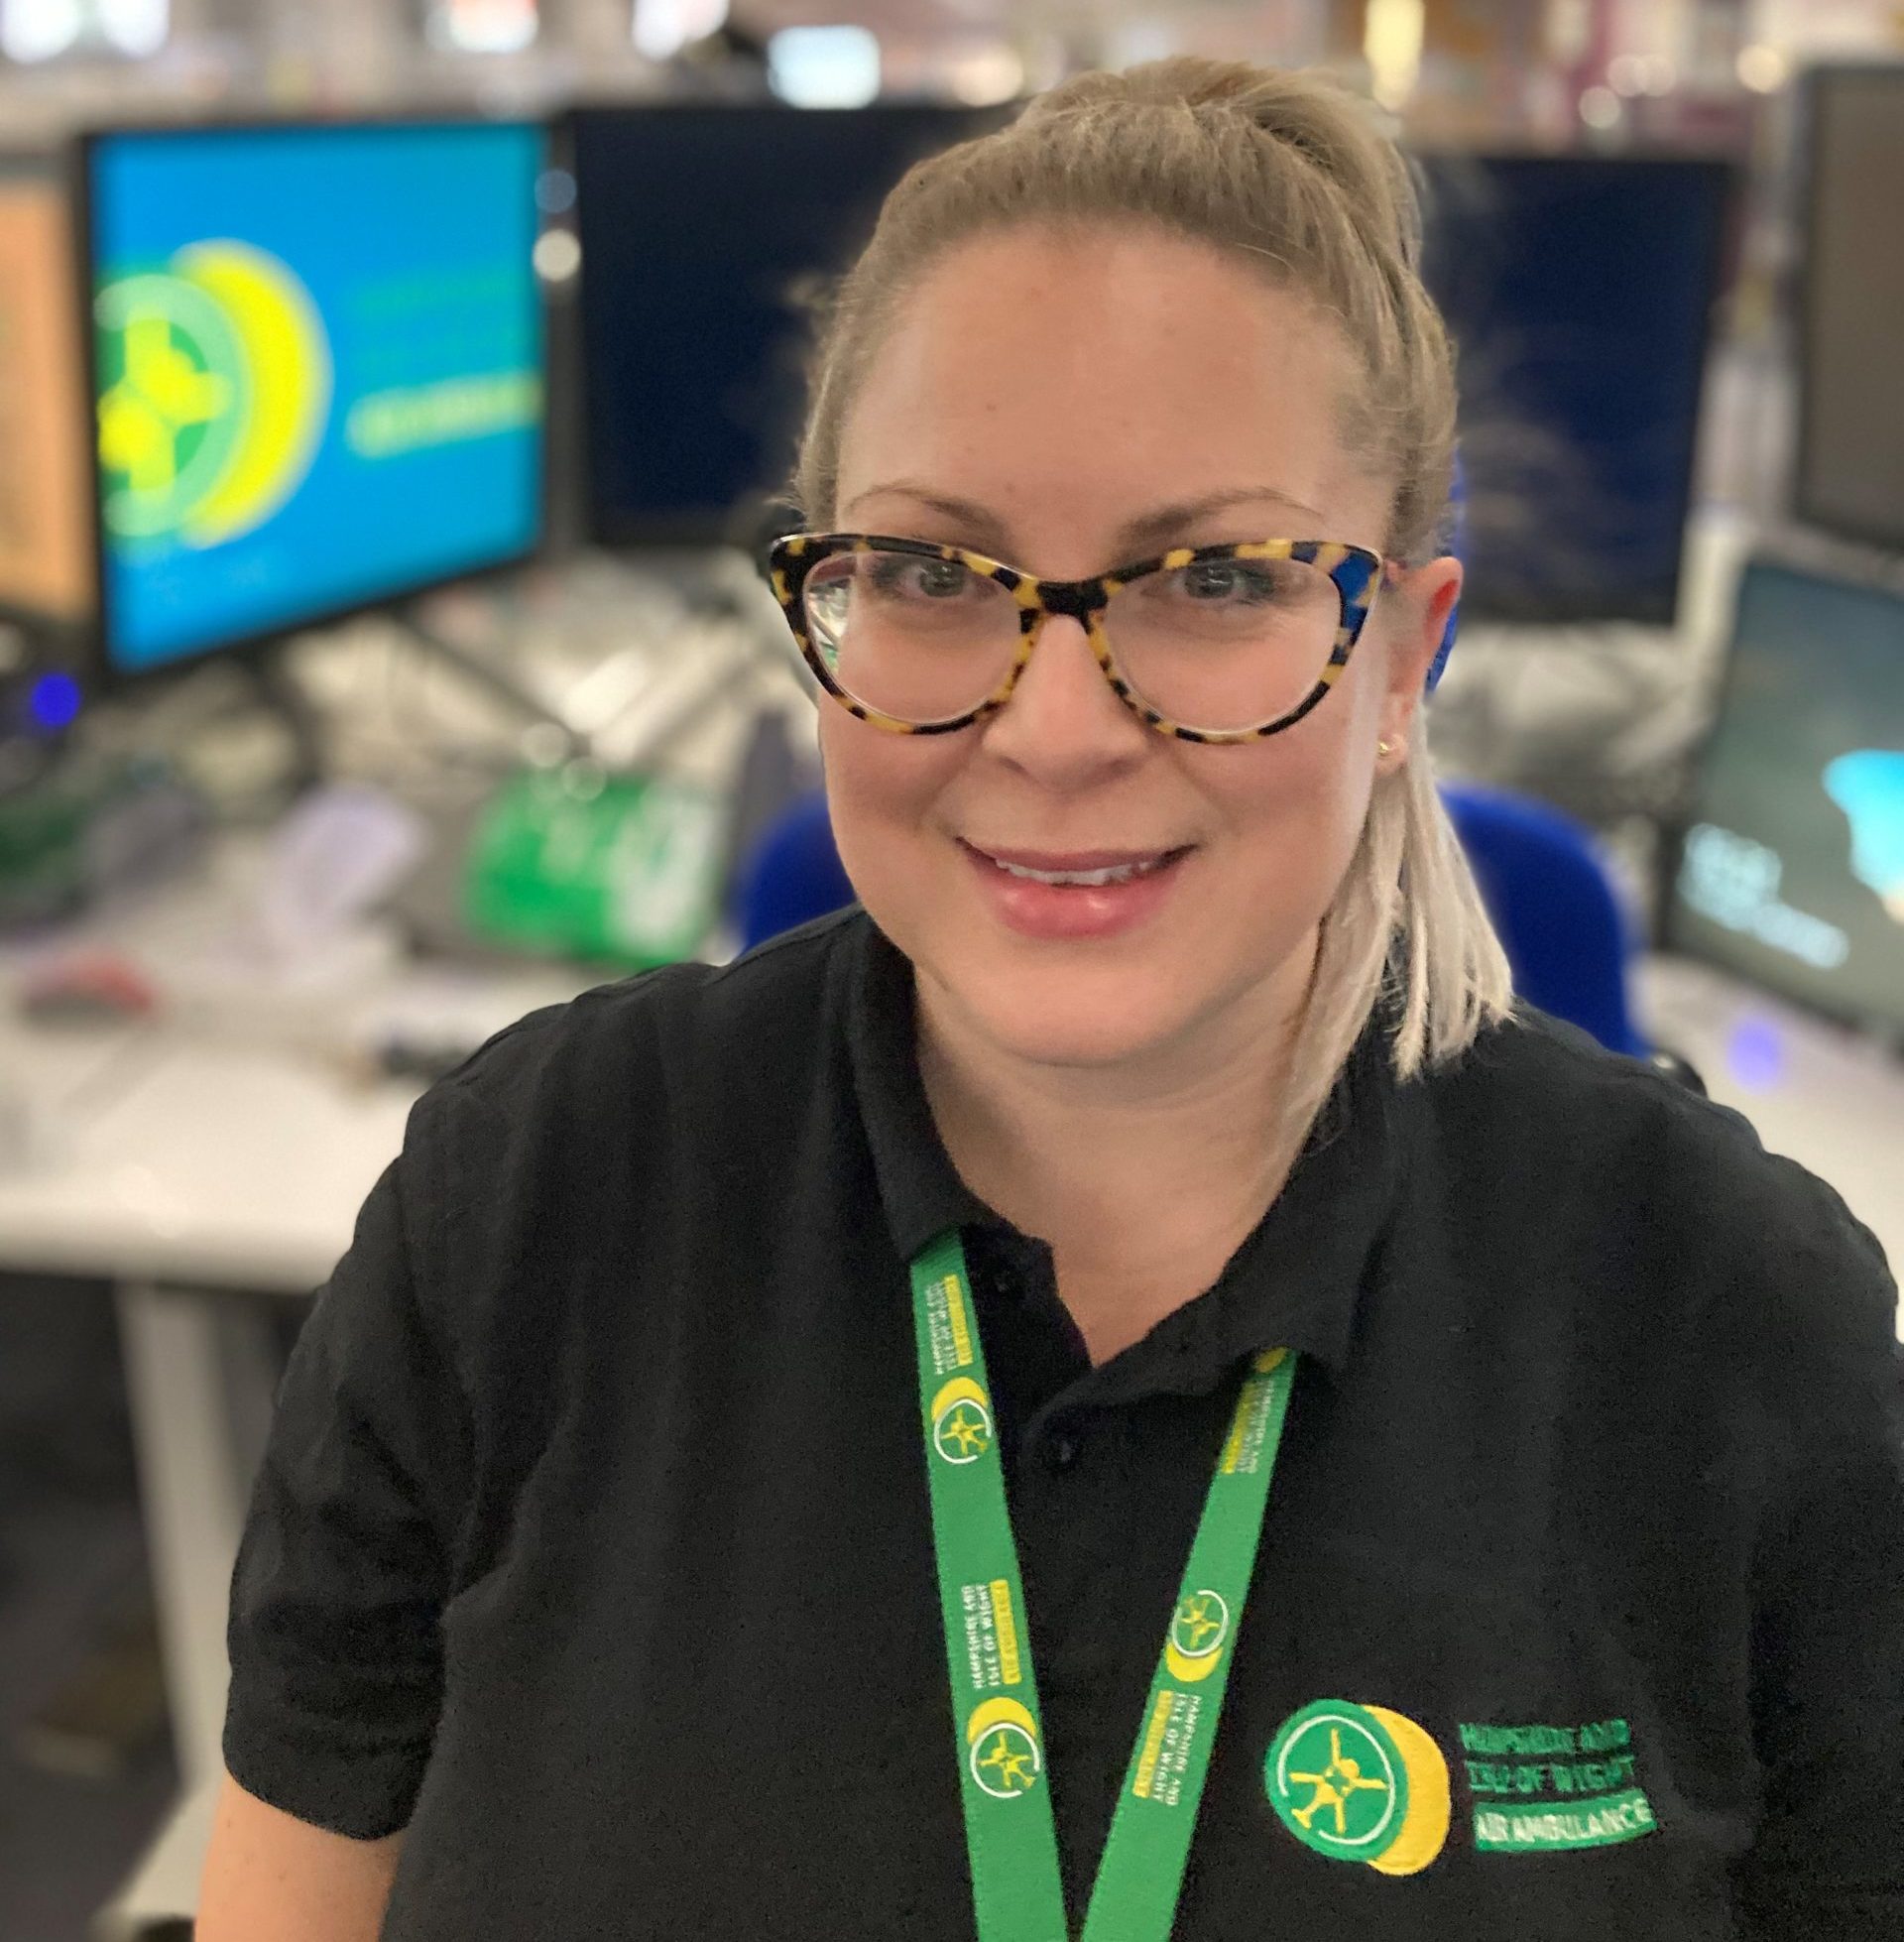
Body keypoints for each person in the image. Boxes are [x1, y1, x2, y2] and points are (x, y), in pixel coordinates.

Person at [197, 59, 1903, 1942]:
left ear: (1406, 658)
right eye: (931, 569)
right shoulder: (518, 1204)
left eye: (1222, 576)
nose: (1058, 724)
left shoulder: (1736, 1318)